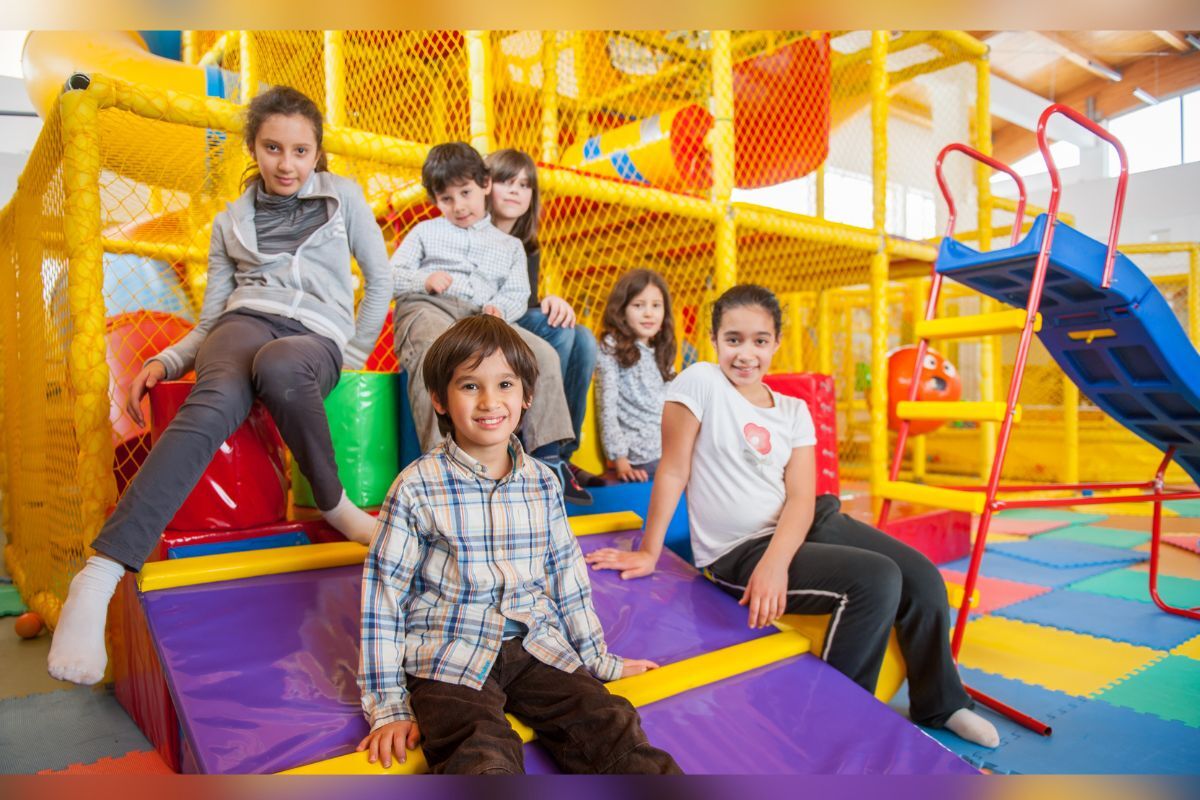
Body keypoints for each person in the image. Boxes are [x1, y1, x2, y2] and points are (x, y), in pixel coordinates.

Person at [48, 85, 392, 685]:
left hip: (316, 335)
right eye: (273, 148)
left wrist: (354, 351)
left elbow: (380, 281)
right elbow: (210, 318)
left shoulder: (345, 198)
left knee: (283, 364)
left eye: (301, 151)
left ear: (317, 153)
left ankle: (333, 504)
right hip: (242, 322)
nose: (287, 163)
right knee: (212, 405)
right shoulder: (230, 220)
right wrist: (171, 360)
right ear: (253, 148)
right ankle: (99, 574)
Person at [585, 284, 1000, 748]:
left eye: (760, 341)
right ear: (715, 339)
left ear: (776, 343)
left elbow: (802, 497)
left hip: (804, 521)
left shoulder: (793, 410)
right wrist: (648, 550)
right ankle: (834, 723)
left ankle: (941, 703)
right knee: (876, 580)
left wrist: (779, 562)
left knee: (922, 575)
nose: (746, 353)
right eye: (733, 339)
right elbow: (674, 469)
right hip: (737, 548)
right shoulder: (700, 381)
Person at [356, 315, 681, 774]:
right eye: (470, 386)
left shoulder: (543, 483)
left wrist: (598, 659)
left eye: (505, 384)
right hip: (449, 649)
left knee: (609, 723)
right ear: (439, 400)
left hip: (536, 645)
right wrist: (388, 703)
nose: (490, 401)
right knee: (479, 749)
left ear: (526, 396)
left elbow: (566, 576)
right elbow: (384, 596)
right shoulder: (416, 487)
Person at [390, 142, 590, 504]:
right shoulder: (424, 232)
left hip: (481, 314)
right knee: (436, 352)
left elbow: (517, 291)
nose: (459, 206)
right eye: (446, 199)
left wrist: (499, 309)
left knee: (543, 354)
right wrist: (425, 280)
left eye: (465, 193)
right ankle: (445, 468)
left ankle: (547, 459)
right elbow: (391, 275)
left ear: (485, 184)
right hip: (430, 305)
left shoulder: (509, 246)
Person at [484, 149, 602, 487]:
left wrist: (550, 299)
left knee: (582, 338)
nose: (515, 190)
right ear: (486, 186)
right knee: (559, 334)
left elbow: (524, 299)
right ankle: (539, 447)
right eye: (506, 181)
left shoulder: (527, 246)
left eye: (524, 185)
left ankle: (563, 453)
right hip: (486, 319)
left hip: (515, 317)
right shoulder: (475, 236)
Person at [595, 269, 676, 482]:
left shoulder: (662, 351)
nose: (649, 313)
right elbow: (607, 406)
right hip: (640, 456)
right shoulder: (611, 347)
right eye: (638, 305)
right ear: (621, 312)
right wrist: (620, 460)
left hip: (668, 449)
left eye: (656, 306)